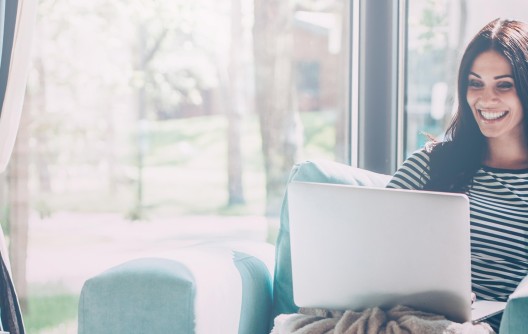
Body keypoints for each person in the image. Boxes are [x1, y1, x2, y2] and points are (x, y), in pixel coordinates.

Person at [387, 18, 528, 332]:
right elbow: (373, 231)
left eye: (504, 85)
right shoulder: (432, 161)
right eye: (475, 83)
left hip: (488, 324)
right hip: (407, 311)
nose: (485, 98)